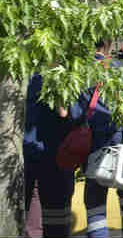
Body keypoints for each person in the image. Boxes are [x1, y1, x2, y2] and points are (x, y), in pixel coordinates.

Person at [83, 42, 123, 238]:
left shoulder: (80, 70)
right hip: (121, 142)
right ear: (109, 44)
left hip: (93, 145)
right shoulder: (118, 69)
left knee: (95, 201)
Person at [23, 71, 76, 237]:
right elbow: (65, 113)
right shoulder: (63, 74)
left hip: (30, 155)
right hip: (55, 158)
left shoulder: (27, 75)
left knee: (33, 223)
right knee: (56, 221)